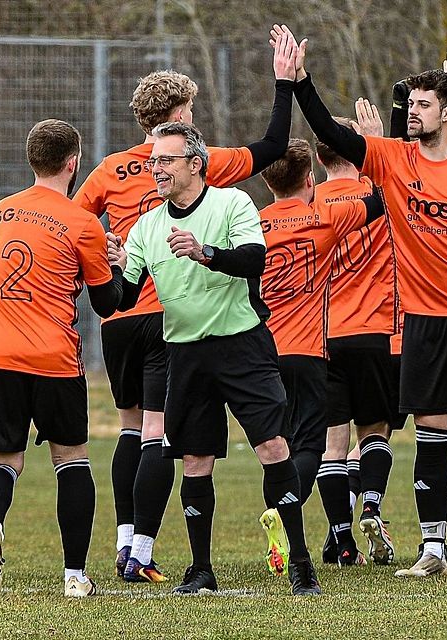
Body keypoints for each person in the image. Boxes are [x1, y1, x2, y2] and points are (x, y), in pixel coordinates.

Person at [276, 24, 447, 579]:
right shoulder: (392, 159)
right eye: (411, 105)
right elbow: (329, 128)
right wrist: (300, 82)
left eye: (424, 105)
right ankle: (432, 547)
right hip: (425, 321)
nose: (411, 113)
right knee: (431, 429)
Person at [74, 46, 294, 582]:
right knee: (159, 434)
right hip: (170, 311)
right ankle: (144, 550)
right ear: (177, 119)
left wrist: (96, 270)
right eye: (191, 112)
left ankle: (127, 539)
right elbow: (272, 147)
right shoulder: (200, 159)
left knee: (130, 428)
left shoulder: (106, 169)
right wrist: (284, 85)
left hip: (121, 312)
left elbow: (73, 225)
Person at [109, 116, 321, 596]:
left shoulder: (232, 202)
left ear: (195, 163)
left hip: (241, 346)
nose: (156, 169)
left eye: (165, 160)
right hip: (184, 355)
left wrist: (206, 252)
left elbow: (254, 260)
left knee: (272, 447)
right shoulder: (146, 226)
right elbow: (124, 299)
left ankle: (301, 561)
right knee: (196, 460)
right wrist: (115, 270)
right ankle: (201, 569)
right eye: (152, 161)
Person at [0, 119, 125, 598]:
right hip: (53, 358)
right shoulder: (82, 222)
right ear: (73, 162)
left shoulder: (3, 211)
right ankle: (75, 576)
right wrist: (114, 262)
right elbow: (107, 303)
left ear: (31, 160)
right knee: (71, 461)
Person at [257, 137, 385, 566]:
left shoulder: (252, 225)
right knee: (312, 445)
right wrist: (379, 144)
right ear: (309, 179)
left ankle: (276, 510)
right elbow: (382, 201)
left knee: (275, 445)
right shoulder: (324, 218)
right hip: (310, 349)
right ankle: (285, 507)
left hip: (260, 355)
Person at [311, 110, 403, 567]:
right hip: (374, 330)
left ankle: (341, 538)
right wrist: (378, 145)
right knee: (375, 432)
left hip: (324, 335)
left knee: (332, 444)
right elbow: (406, 183)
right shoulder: (377, 194)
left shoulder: (309, 204)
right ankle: (371, 504)